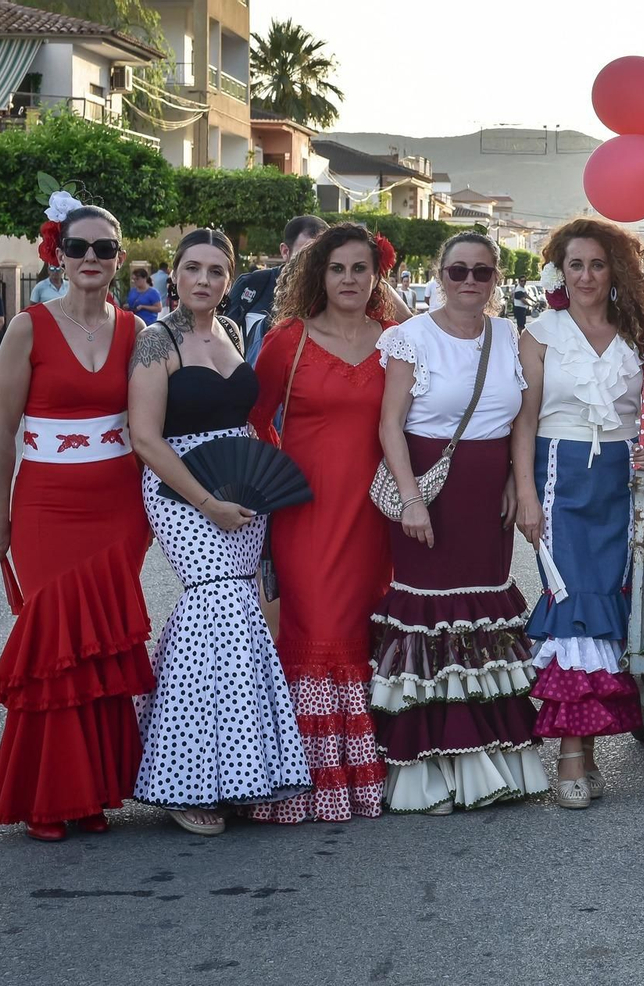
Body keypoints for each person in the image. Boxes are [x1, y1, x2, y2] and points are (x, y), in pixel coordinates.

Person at [0, 205, 154, 841]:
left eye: (104, 248)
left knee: (101, 643)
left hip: (120, 510)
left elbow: (152, 423)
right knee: (56, 645)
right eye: (78, 246)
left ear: (117, 256)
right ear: (57, 252)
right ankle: (50, 796)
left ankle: (94, 792)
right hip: (47, 507)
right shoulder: (27, 328)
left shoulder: (136, 329)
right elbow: (2, 435)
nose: (91, 258)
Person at [127, 228, 310, 835]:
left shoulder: (230, 334)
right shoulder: (156, 343)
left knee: (228, 620)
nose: (204, 280)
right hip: (185, 492)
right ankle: (183, 779)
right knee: (220, 603)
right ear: (173, 275)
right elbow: (147, 439)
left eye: (216, 271)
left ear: (229, 280)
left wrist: (246, 490)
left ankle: (236, 771)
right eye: (193, 269)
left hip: (242, 490)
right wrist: (206, 501)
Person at [372, 231, 549, 813]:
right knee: (431, 618)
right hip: (430, 494)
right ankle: (431, 772)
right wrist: (410, 500)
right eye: (458, 272)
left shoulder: (511, 336)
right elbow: (390, 427)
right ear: (439, 273)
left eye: (482, 272)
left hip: (486, 502)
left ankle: (490, 763)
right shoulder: (409, 338)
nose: (469, 282)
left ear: (496, 278)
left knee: (483, 613)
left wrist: (521, 489)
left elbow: (521, 425)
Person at [246, 223, 396, 824]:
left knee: (364, 621)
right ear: (319, 274)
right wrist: (284, 472)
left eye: (361, 268)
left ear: (376, 275)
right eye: (338, 269)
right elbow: (256, 417)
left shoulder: (396, 340)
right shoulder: (289, 340)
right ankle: (308, 778)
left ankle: (365, 775)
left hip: (374, 513)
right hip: (304, 512)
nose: (350, 279)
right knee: (316, 625)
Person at [512, 219, 644, 810]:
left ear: (613, 270)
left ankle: (590, 747)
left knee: (609, 606)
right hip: (559, 479)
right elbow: (523, 422)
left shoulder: (640, 335)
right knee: (572, 605)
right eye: (576, 265)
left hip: (622, 481)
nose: (587, 276)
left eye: (598, 264)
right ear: (559, 271)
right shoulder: (539, 334)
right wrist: (524, 491)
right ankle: (574, 753)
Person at [225, 215, 330, 365]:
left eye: (323, 255)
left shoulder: (332, 294)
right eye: (306, 255)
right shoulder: (252, 284)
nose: (315, 263)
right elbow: (223, 336)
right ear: (285, 251)